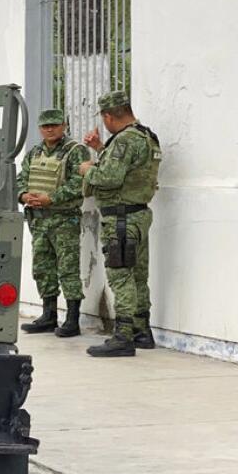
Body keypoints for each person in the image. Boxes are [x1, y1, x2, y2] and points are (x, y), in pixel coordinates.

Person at [78, 91, 161, 357]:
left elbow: (110, 177)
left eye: (104, 118)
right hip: (138, 215)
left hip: (121, 219)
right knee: (137, 275)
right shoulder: (146, 136)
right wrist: (102, 149)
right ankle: (141, 331)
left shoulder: (124, 140)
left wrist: (87, 169)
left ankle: (123, 337)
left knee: (120, 275)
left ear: (109, 115)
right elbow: (130, 169)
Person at [17, 108, 90, 337]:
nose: (49, 129)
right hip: (39, 221)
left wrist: (52, 198)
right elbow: (21, 179)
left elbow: (79, 183)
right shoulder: (34, 153)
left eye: (54, 125)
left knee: (68, 269)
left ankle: (72, 319)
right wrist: (23, 195)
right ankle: (49, 316)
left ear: (64, 126)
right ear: (40, 128)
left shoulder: (76, 151)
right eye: (45, 126)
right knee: (42, 269)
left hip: (63, 220)